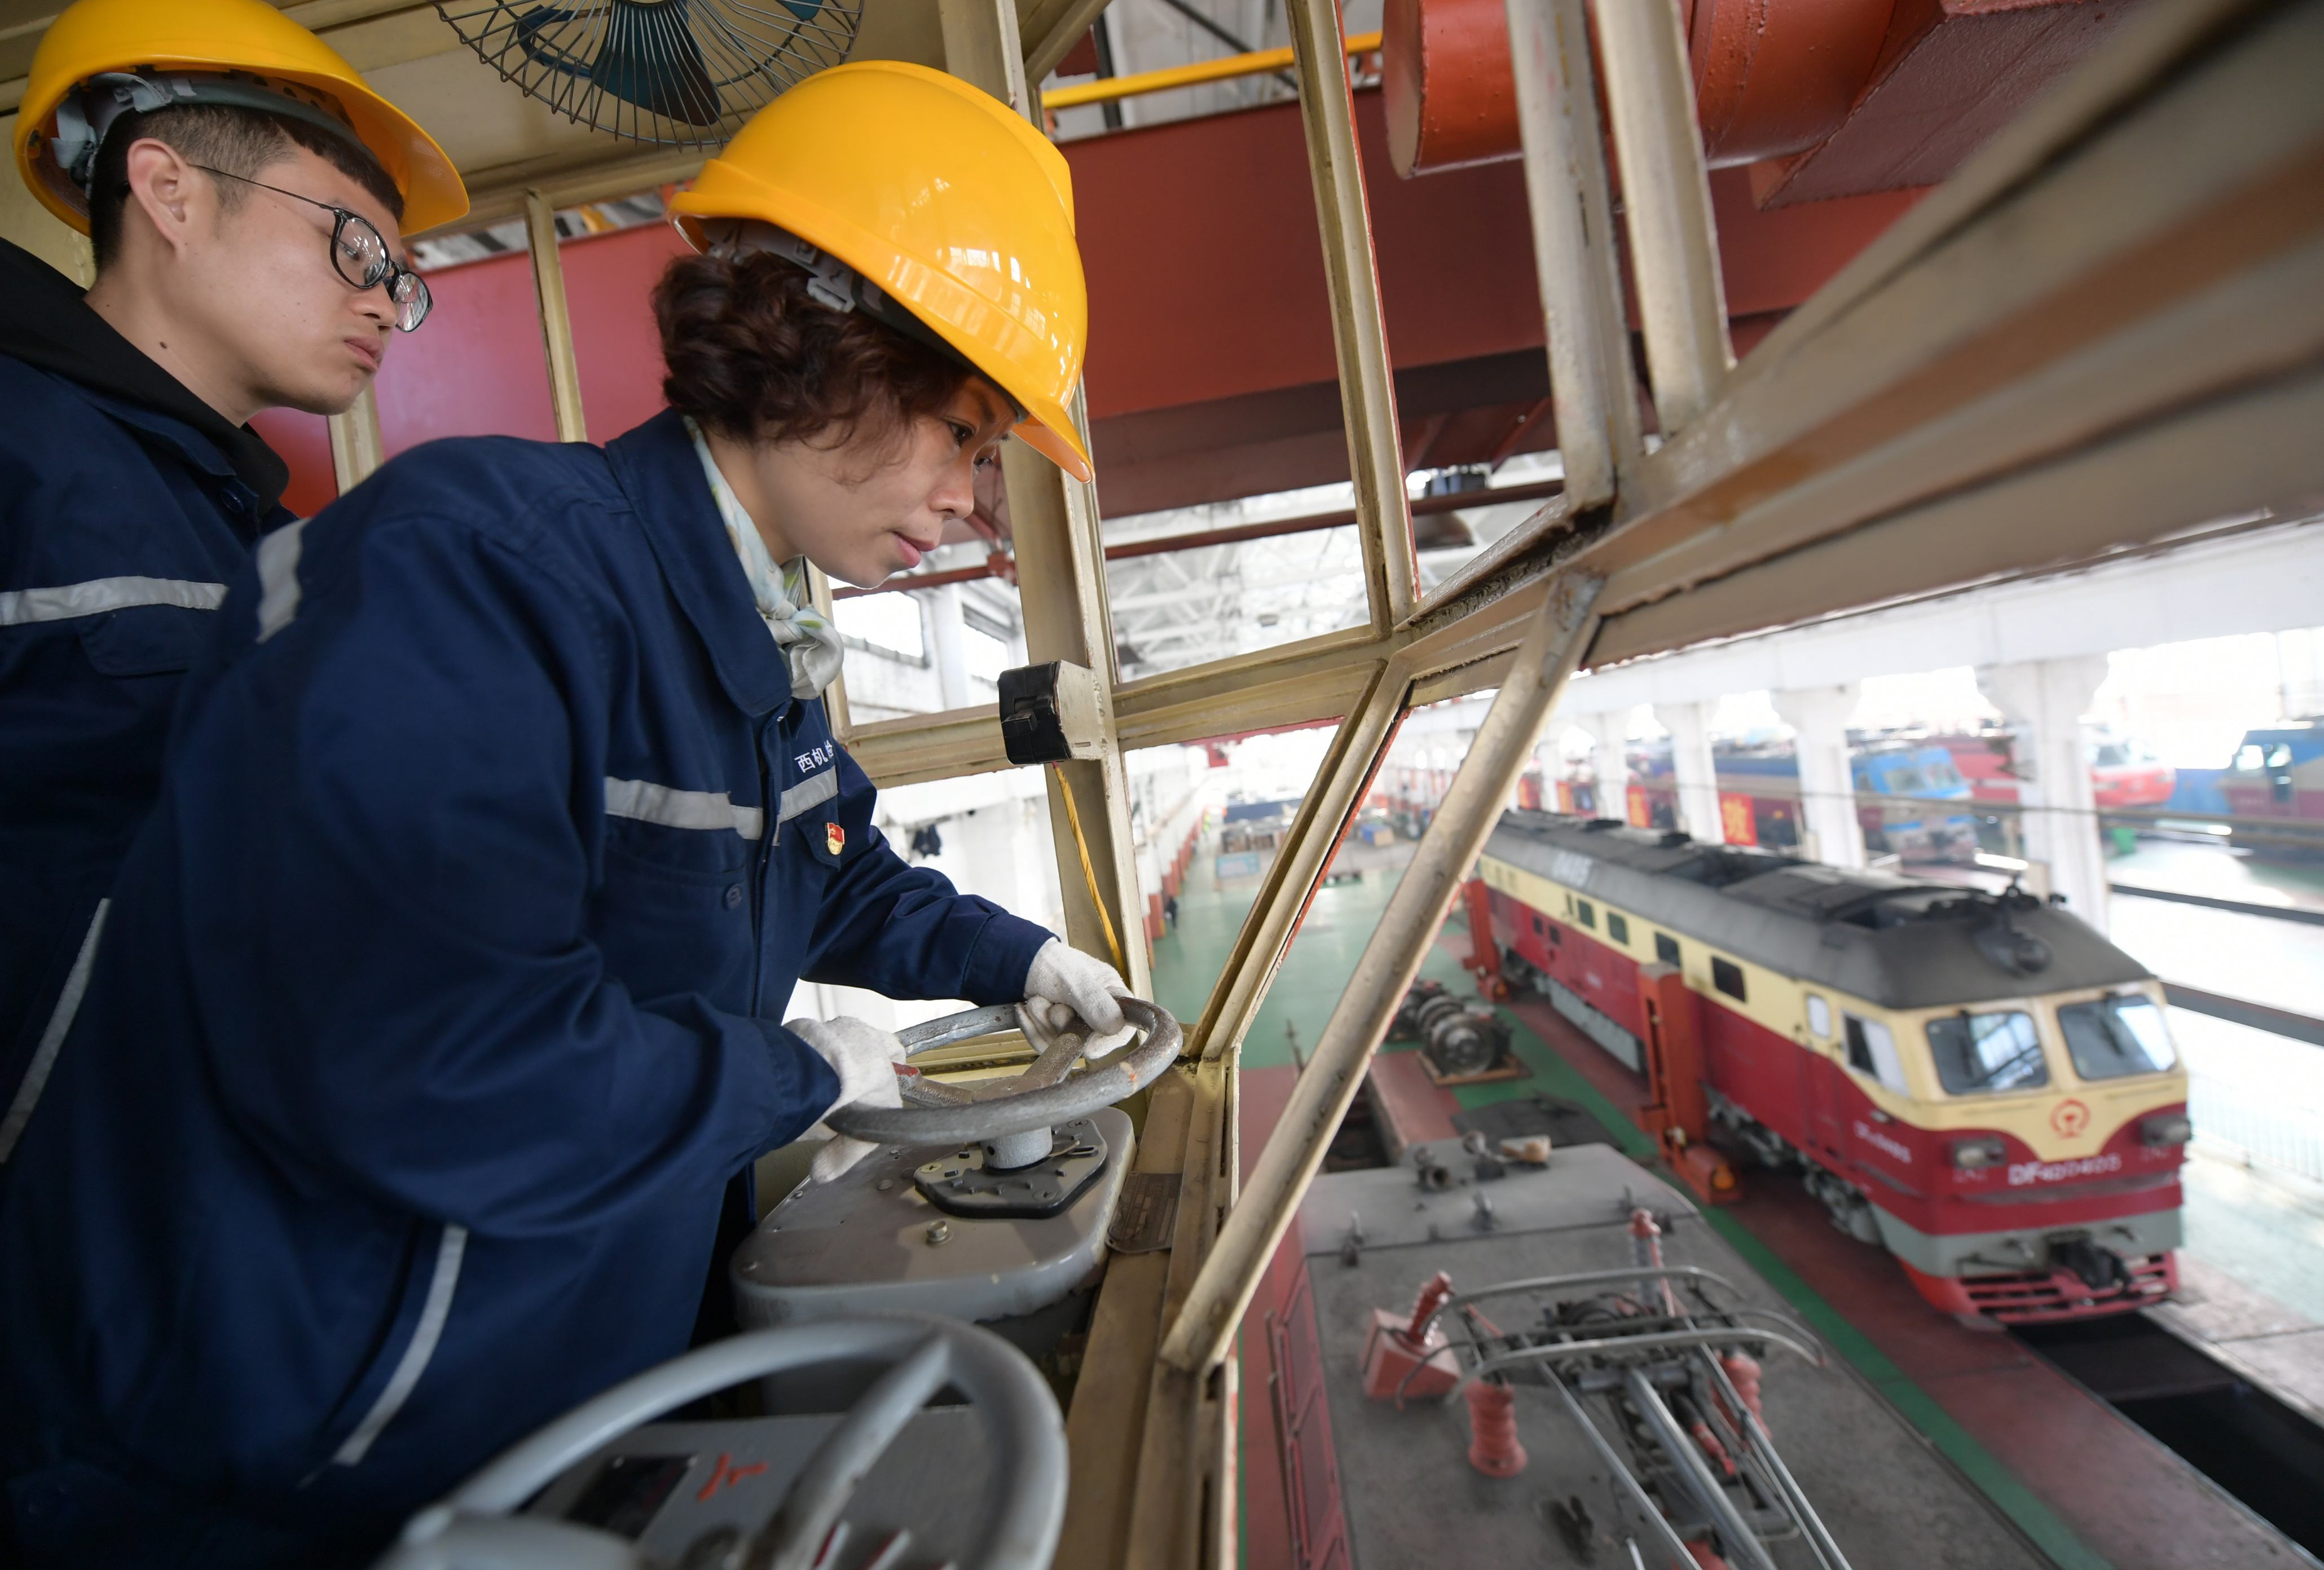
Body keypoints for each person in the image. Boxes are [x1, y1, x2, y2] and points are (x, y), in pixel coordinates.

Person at [0, 59, 1134, 1570]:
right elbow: (440, 1060)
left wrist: (1019, 962)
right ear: (825, 350)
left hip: (535, 1418)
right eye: (965, 432)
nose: (967, 500)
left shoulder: (748, 640)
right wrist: (785, 1076)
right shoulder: (479, 573)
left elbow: (834, 870)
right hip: (291, 1466)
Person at [0, 0, 465, 1183]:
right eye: (354, 247)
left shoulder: (251, 529)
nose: (382, 302)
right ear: (168, 192)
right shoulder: (21, 452)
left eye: (399, 279)